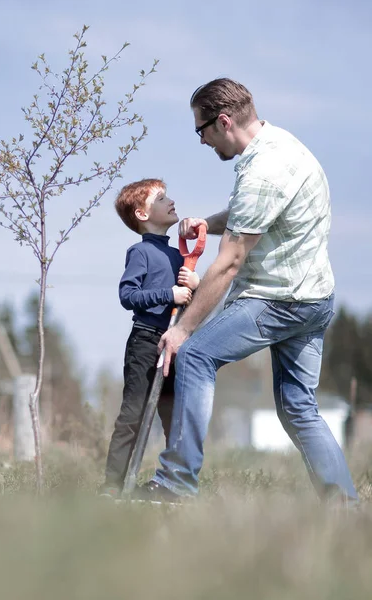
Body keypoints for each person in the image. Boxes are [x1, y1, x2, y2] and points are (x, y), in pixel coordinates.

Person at [138, 78, 358, 505]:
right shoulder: (282, 145)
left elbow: (229, 263)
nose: (201, 141)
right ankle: (345, 508)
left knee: (196, 355)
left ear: (223, 122)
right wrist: (208, 222)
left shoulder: (260, 173)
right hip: (314, 300)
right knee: (298, 408)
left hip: (279, 301)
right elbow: (254, 217)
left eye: (201, 130)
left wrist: (183, 329)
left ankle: (176, 484)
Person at [100, 178, 199, 498]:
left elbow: (190, 305)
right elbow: (128, 295)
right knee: (133, 415)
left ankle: (174, 484)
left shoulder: (177, 255)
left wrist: (194, 285)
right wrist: (169, 292)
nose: (170, 201)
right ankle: (113, 488)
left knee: (174, 416)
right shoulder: (140, 252)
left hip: (175, 342)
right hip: (145, 341)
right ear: (142, 215)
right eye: (160, 199)